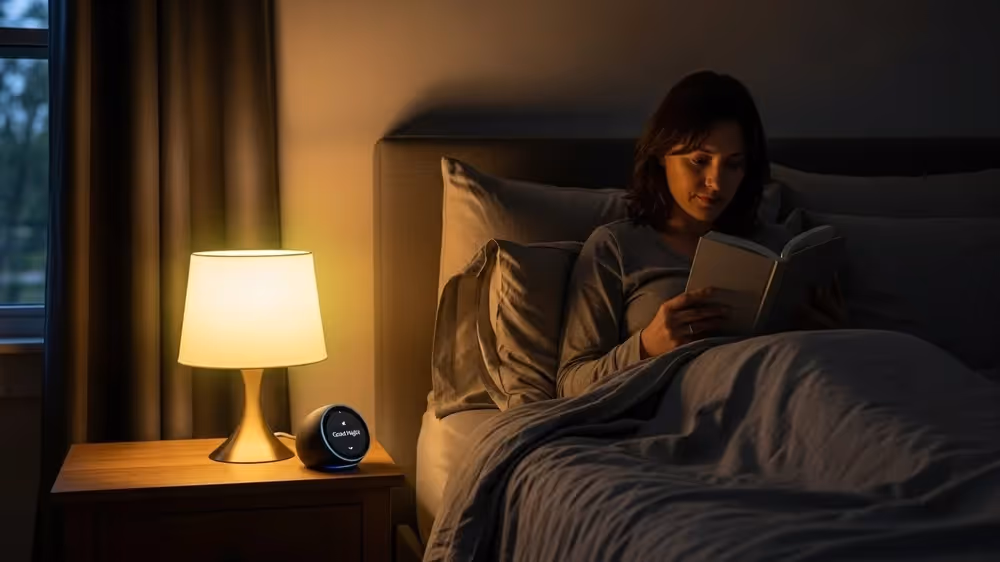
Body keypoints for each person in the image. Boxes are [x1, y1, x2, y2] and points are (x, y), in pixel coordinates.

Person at [556, 70, 846, 399]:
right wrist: (646, 346)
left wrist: (834, 337)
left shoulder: (781, 248)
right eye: (699, 160)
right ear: (662, 154)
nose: (716, 183)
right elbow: (569, 385)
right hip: (685, 409)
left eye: (733, 164)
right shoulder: (616, 247)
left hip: (789, 397)